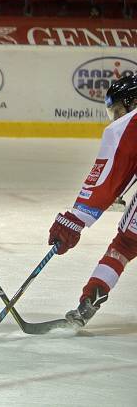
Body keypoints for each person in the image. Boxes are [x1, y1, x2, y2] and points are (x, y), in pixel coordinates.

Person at [48, 74, 137, 328]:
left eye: (120, 110)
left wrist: (75, 219)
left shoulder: (129, 125)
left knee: (125, 246)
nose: (118, 118)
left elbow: (108, 177)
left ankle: (91, 299)